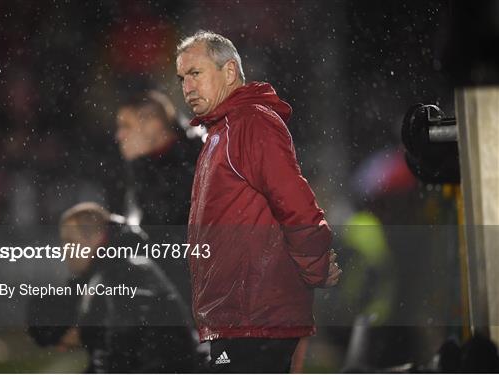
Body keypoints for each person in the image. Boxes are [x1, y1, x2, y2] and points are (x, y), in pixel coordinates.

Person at [175, 31, 342, 372]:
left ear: (230, 72)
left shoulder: (251, 123)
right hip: (241, 319)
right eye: (181, 78)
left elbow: (296, 205)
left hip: (254, 319)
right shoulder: (222, 130)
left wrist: (316, 267)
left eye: (195, 74)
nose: (187, 87)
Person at [27, 202, 204, 373]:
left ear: (96, 238)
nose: (64, 250)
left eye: (70, 241)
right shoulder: (116, 269)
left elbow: (125, 357)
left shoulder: (124, 273)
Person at [114, 90, 202, 301]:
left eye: (126, 126)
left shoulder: (199, 165)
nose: (119, 135)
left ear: (153, 125)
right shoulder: (145, 168)